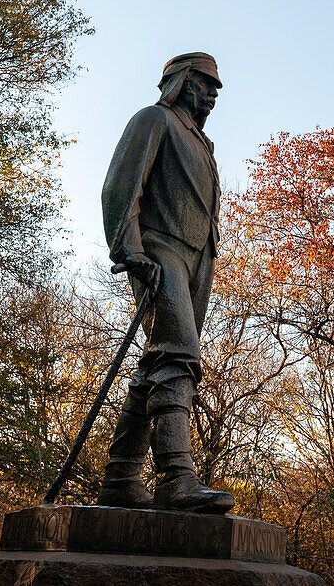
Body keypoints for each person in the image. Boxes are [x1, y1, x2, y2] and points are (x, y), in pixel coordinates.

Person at [98, 52, 233, 514]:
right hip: (160, 250)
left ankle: (120, 474)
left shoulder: (205, 145)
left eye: (217, 87)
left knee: (159, 360)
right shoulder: (153, 119)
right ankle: (176, 476)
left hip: (199, 258)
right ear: (180, 81)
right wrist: (129, 248)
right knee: (179, 355)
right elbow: (120, 185)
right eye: (206, 83)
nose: (214, 93)